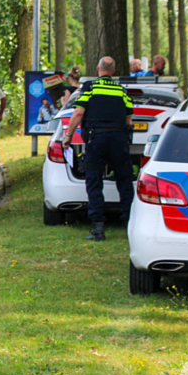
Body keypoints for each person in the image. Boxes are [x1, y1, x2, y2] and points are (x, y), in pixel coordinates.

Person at [62, 56, 134, 241]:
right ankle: (130, 225)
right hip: (119, 139)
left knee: (94, 181)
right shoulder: (122, 91)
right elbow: (129, 120)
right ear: (114, 71)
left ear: (97, 69)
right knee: (124, 182)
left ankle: (98, 229)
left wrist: (68, 136)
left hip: (96, 139)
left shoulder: (90, 88)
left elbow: (78, 112)